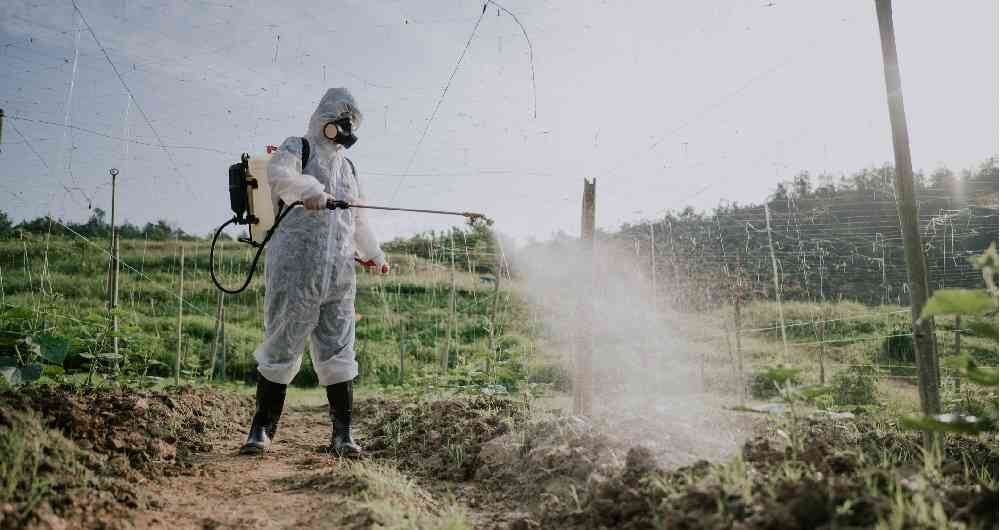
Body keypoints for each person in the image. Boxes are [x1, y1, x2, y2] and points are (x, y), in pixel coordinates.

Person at [240, 88, 388, 457]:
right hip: (296, 270)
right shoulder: (298, 147)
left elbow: (359, 220)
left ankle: (343, 435)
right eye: (341, 120)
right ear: (325, 119)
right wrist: (310, 190)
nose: (345, 129)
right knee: (281, 344)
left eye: (350, 123)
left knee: (339, 349)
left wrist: (375, 254)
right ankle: (262, 429)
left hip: (339, 274)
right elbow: (279, 175)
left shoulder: (350, 169)